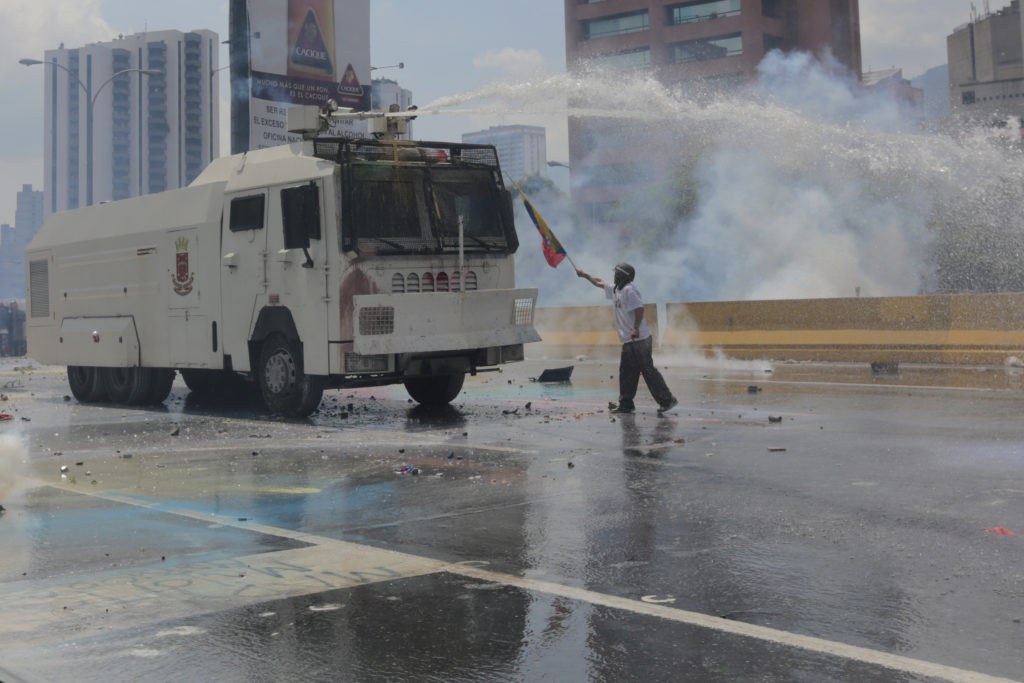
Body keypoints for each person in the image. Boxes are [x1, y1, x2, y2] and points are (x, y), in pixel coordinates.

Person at [576, 262, 678, 415]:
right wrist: (585, 276)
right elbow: (600, 283)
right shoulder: (617, 289)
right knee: (626, 372)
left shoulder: (630, 291)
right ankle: (626, 404)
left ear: (621, 275)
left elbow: (639, 309)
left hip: (640, 339)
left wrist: (636, 328)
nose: (614, 275)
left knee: (648, 371)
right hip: (629, 341)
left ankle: (667, 400)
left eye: (616, 273)